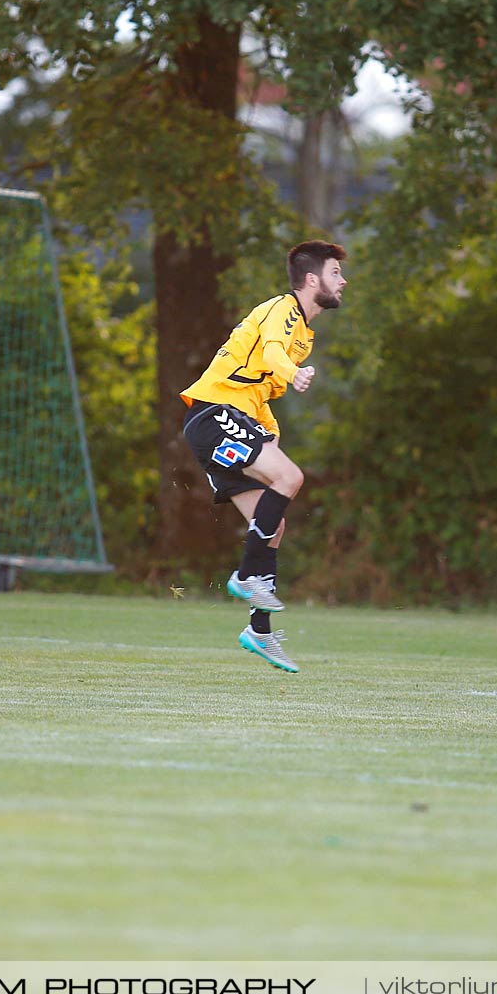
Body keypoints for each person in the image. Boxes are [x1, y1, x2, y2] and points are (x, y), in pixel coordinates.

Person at [179, 241, 347, 674]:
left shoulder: (304, 333)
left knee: (273, 527)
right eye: (334, 273)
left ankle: (259, 631)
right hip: (214, 415)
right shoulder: (285, 310)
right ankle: (245, 580)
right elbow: (272, 355)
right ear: (312, 280)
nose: (342, 281)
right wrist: (295, 374)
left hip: (230, 418)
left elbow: (257, 389)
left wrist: (269, 434)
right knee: (289, 479)